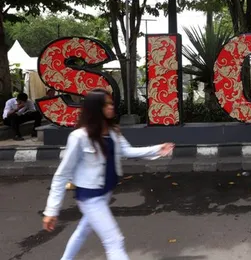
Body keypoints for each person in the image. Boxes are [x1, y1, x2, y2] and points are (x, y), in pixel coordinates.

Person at [42, 89, 175, 260]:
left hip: (105, 193)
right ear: (96, 108)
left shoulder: (112, 132)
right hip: (91, 198)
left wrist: (158, 148)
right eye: (107, 104)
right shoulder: (80, 137)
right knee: (114, 241)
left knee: (82, 232)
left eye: (111, 103)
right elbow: (62, 174)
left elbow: (128, 151)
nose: (111, 107)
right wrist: (51, 210)